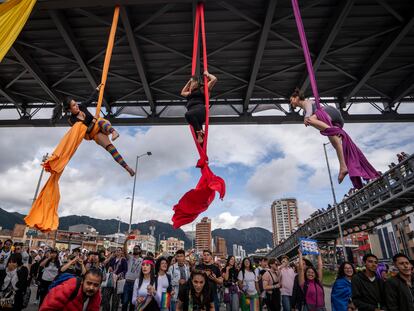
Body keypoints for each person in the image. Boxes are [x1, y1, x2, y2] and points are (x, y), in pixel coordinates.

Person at [290, 88, 379, 187]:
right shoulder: (305, 112)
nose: (291, 102)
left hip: (329, 112)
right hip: (332, 121)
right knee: (335, 143)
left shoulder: (307, 102)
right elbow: (320, 127)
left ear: (297, 97)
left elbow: (309, 110)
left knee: (311, 119)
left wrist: (307, 117)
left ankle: (336, 132)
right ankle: (343, 167)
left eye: (291, 100)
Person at [60, 84, 134, 176]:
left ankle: (114, 132)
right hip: (93, 134)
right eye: (74, 106)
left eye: (76, 104)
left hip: (101, 125)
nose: (77, 106)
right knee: (111, 148)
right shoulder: (72, 120)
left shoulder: (82, 106)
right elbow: (86, 131)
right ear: (69, 109)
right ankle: (127, 168)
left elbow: (91, 99)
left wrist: (97, 89)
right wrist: (94, 120)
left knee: (99, 121)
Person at [181, 71, 217, 144]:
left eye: (193, 82)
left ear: (197, 83)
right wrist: (189, 81)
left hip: (199, 111)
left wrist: (207, 74)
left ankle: (199, 132)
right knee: (200, 142)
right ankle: (200, 134)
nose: (191, 84)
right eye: (191, 83)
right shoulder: (189, 93)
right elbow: (182, 93)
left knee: (187, 115)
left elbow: (214, 79)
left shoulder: (202, 89)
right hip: (194, 116)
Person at [122, 237, 142, 311]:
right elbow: (124, 251)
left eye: (137, 248)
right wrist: (126, 241)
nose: (135, 249)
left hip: (136, 284)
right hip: (128, 282)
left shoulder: (142, 261)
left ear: (140, 250)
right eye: (134, 248)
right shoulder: (129, 258)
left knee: (132, 303)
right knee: (125, 302)